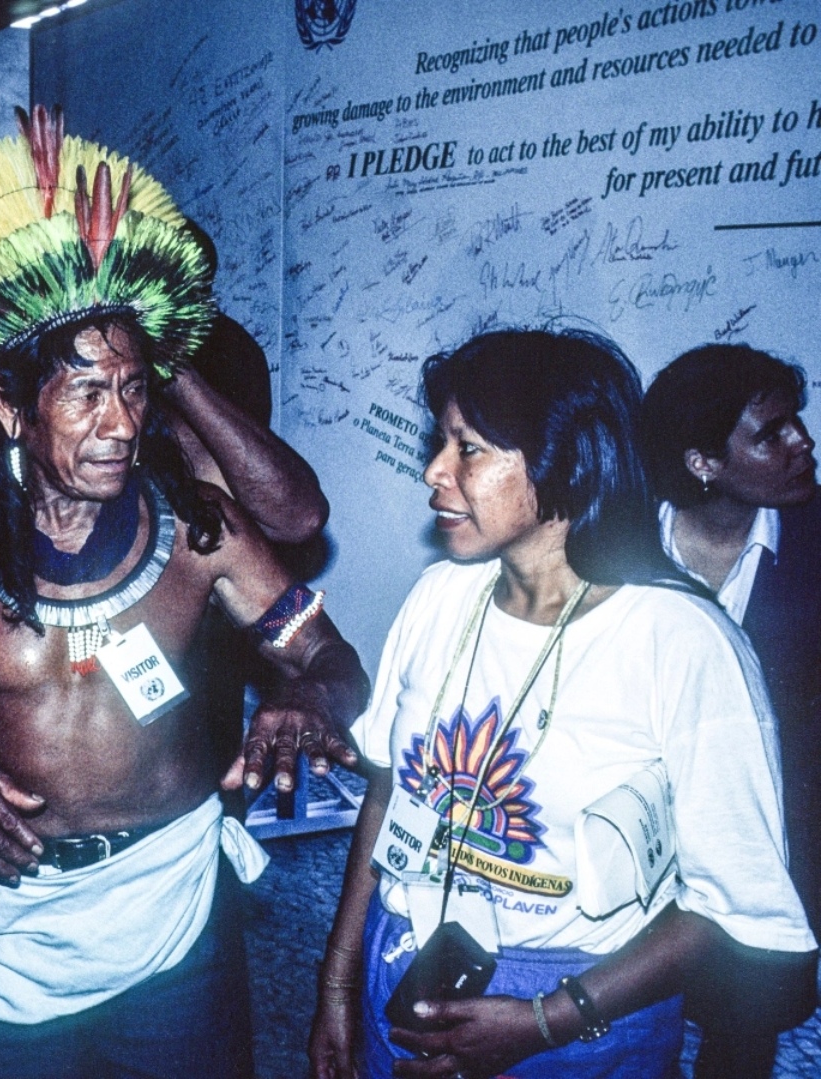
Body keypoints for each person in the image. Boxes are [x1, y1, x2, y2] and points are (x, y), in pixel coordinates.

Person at [0, 113, 369, 1078]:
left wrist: (305, 699)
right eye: (86, 392)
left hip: (170, 921)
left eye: (133, 390)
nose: (119, 422)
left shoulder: (197, 526)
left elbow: (331, 656)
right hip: (7, 937)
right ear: (10, 405)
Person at [308, 330, 815, 1079]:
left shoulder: (681, 640)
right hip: (408, 968)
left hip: (582, 1012)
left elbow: (726, 903)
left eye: (469, 448)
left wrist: (543, 1020)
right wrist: (340, 983)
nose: (434, 472)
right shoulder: (440, 598)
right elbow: (387, 795)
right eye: (441, 442)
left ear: (565, 463)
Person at [639, 343, 821, 1077]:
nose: (802, 441)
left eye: (798, 423)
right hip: (641, 840)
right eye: (771, 431)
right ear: (702, 462)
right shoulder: (617, 546)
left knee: (743, 1028)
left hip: (773, 841)